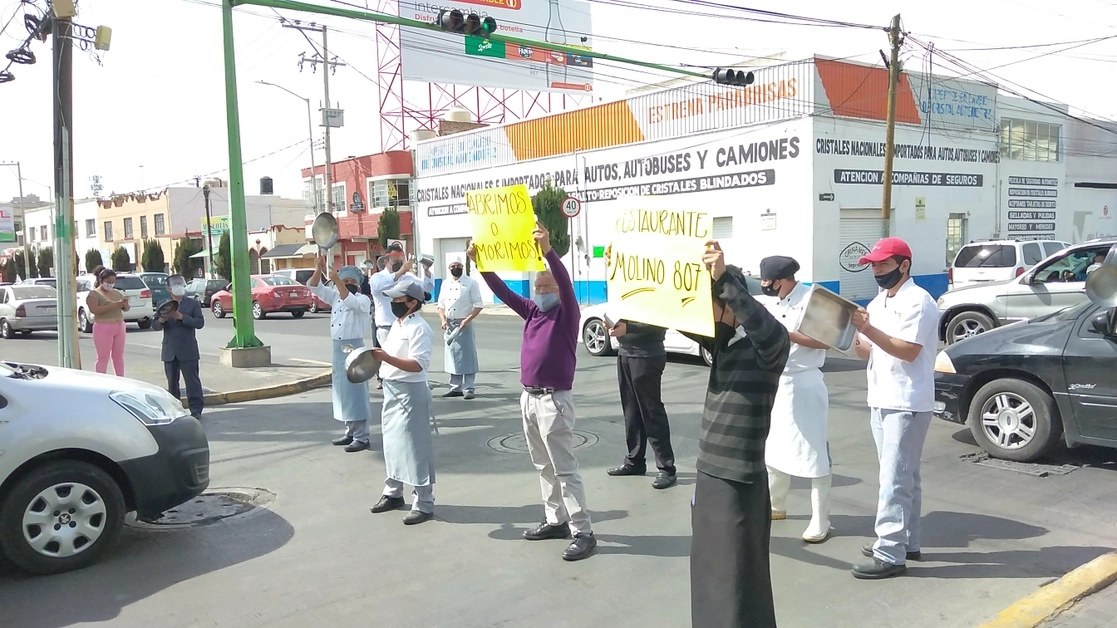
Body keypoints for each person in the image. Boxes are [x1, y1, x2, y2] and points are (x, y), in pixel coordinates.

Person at [470, 222, 596, 562]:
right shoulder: (531, 312)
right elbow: (503, 292)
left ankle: (583, 530)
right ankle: (555, 520)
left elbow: (566, 284)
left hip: (554, 400)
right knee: (543, 465)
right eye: (537, 286)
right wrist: (482, 264)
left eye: (546, 286)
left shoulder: (567, 314)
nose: (541, 291)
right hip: (529, 398)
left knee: (564, 468)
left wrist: (549, 252)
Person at [680, 241, 790, 628]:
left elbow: (763, 325)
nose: (703, 318)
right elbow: (668, 313)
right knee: (709, 575)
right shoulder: (722, 344)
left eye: (708, 305)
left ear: (732, 304)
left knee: (737, 580)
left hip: (739, 479)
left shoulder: (770, 346)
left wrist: (723, 278)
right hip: (709, 473)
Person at [850, 237, 940, 580]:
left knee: (893, 479)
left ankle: (889, 551)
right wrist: (853, 334)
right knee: (905, 475)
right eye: (873, 265)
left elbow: (908, 351)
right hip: (882, 398)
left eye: (883, 265)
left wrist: (868, 328)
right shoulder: (880, 301)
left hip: (906, 401)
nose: (876, 270)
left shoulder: (918, 301)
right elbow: (868, 351)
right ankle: (906, 540)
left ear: (904, 265)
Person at [758, 255, 834, 543]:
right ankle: (776, 505)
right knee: (774, 447)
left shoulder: (813, 299)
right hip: (778, 381)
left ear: (784, 279)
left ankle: (821, 519)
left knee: (813, 451)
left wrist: (785, 335)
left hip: (805, 381)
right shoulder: (771, 302)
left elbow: (826, 341)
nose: (766, 287)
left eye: (770, 283)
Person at [601, 246, 676, 489]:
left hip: (647, 355)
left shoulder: (658, 285)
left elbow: (662, 322)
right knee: (631, 411)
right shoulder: (627, 285)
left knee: (651, 411)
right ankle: (635, 460)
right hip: (625, 353)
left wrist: (629, 328)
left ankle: (667, 467)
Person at [368, 278, 437, 525]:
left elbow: (418, 364)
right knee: (393, 444)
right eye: (393, 299)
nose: (394, 303)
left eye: (398, 300)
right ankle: (393, 492)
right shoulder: (398, 324)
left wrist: (385, 357)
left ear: (412, 303)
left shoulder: (419, 328)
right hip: (392, 390)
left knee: (415, 448)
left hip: (411, 391)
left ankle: (424, 502)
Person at [309, 258, 374, 453]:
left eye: (351, 282)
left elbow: (351, 302)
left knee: (356, 394)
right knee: (342, 393)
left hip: (354, 349)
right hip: (338, 349)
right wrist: (318, 269)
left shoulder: (363, 300)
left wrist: (337, 280)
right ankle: (350, 432)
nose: (347, 285)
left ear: (358, 284)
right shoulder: (335, 297)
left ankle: (362, 437)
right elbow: (314, 286)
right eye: (344, 282)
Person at [369, 244, 423, 390]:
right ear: (385, 261)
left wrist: (427, 272)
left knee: (407, 355)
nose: (399, 263)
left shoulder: (407, 275)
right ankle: (389, 382)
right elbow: (377, 288)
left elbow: (425, 288)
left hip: (405, 323)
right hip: (386, 325)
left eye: (400, 259)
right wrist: (400, 273)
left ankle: (409, 383)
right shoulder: (377, 277)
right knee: (391, 356)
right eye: (395, 260)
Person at [152, 274, 206, 418]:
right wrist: (162, 320)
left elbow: (199, 323)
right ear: (168, 288)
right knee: (172, 382)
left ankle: (196, 410)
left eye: (180, 283)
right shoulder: (163, 304)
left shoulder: (192, 304)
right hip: (170, 350)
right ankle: (175, 409)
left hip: (188, 349)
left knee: (192, 381)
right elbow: (155, 326)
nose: (178, 286)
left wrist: (182, 318)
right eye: (175, 284)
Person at [437, 257, 483, 399]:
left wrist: (467, 320)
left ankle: (469, 388)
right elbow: (441, 304)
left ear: (462, 266)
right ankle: (455, 387)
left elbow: (478, 305)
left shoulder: (471, 283)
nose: (455, 268)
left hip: (465, 324)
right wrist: (443, 319)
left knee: (467, 356)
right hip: (450, 324)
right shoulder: (445, 283)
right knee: (452, 356)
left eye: (457, 265)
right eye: (452, 266)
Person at [86, 267, 130, 376]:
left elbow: (126, 308)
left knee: (118, 356)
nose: (110, 285)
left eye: (113, 282)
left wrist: (124, 303)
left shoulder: (116, 292)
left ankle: (120, 378)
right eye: (108, 282)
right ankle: (101, 379)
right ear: (101, 281)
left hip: (119, 325)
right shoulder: (94, 294)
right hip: (103, 326)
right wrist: (113, 305)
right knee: (103, 357)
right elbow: (94, 310)